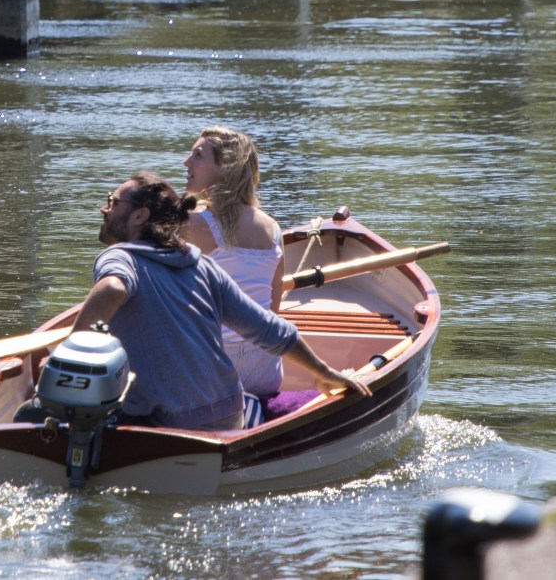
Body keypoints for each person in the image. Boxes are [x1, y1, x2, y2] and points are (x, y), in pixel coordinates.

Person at [68, 171, 370, 431]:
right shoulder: (203, 266)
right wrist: (324, 373)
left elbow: (110, 289)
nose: (103, 209)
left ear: (139, 216)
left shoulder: (120, 256)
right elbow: (270, 330)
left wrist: (68, 358)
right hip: (227, 416)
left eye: (112, 202)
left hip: (165, 423)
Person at [182, 126, 285, 397]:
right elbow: (273, 310)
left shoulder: (194, 226)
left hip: (217, 371)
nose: (186, 162)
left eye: (198, 156)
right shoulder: (273, 229)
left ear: (225, 168)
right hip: (266, 370)